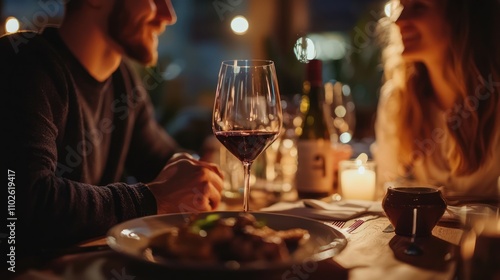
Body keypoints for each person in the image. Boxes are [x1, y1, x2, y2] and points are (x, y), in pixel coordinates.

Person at [1, 0, 223, 256]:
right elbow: (25, 202)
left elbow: (162, 160)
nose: (169, 16)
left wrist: (197, 169)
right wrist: (153, 199)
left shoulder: (122, 82)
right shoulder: (23, 62)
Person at [373, 0, 500, 201]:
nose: (399, 21)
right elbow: (385, 186)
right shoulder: (397, 102)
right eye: (401, 8)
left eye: (419, 7)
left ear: (461, 19)